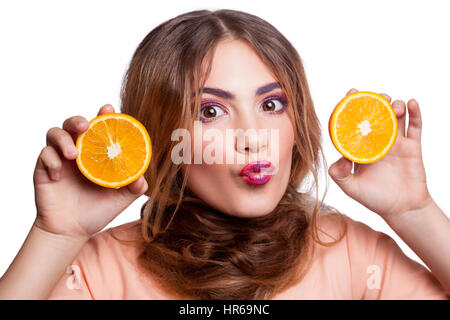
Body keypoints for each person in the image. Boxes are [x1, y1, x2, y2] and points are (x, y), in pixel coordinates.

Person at [0, 9, 448, 300]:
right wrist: (56, 236)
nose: (253, 137)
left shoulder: (351, 254)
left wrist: (415, 210)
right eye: (211, 111)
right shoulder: (99, 270)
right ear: (162, 132)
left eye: (271, 105)